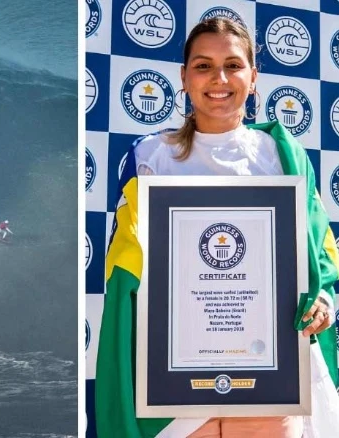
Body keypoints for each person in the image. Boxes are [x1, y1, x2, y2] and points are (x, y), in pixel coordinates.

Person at [95, 17, 339, 438]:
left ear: (254, 76)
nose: (219, 78)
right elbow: (126, 266)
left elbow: (319, 251)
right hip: (174, 391)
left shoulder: (283, 155)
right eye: (203, 65)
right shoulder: (151, 157)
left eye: (233, 64)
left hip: (268, 382)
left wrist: (321, 299)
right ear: (184, 77)